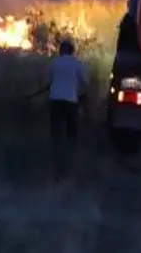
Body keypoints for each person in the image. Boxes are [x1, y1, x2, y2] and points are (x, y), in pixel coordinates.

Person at [46, 39, 89, 179]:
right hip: (71, 101)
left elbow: (49, 80)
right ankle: (70, 161)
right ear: (72, 51)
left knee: (56, 132)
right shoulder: (77, 64)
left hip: (55, 101)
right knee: (72, 132)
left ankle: (56, 161)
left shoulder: (54, 63)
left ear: (60, 50)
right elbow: (85, 82)